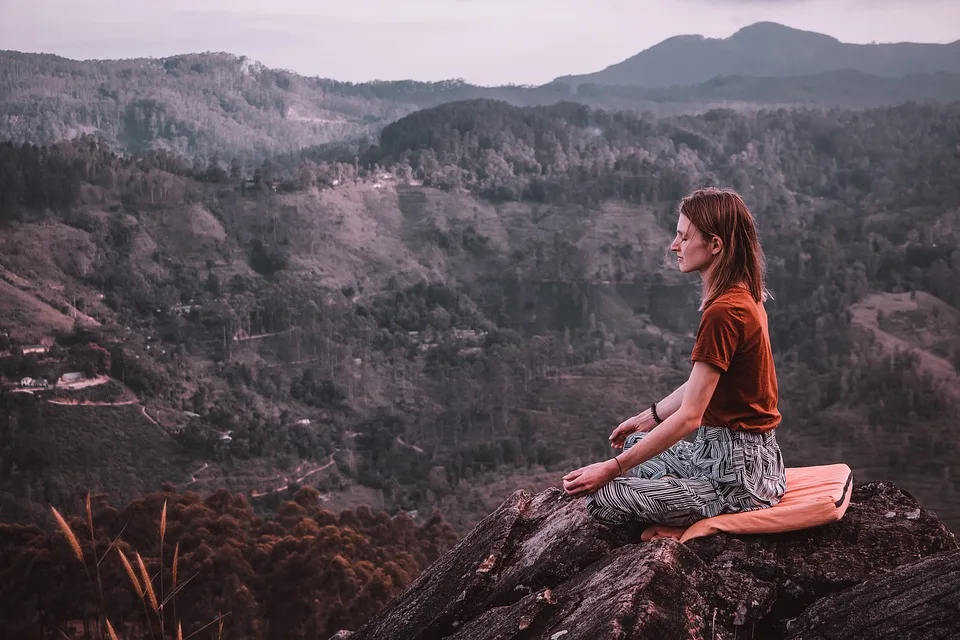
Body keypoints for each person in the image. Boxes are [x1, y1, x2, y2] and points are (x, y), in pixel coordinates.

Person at [562, 188, 786, 528]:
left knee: (604, 497)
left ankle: (684, 513)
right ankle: (675, 495)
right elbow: (704, 383)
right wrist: (649, 416)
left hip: (734, 482)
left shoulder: (724, 312)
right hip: (748, 462)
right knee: (637, 442)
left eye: (684, 236)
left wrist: (611, 469)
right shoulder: (744, 297)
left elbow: (689, 418)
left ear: (715, 245)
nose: (673, 244)